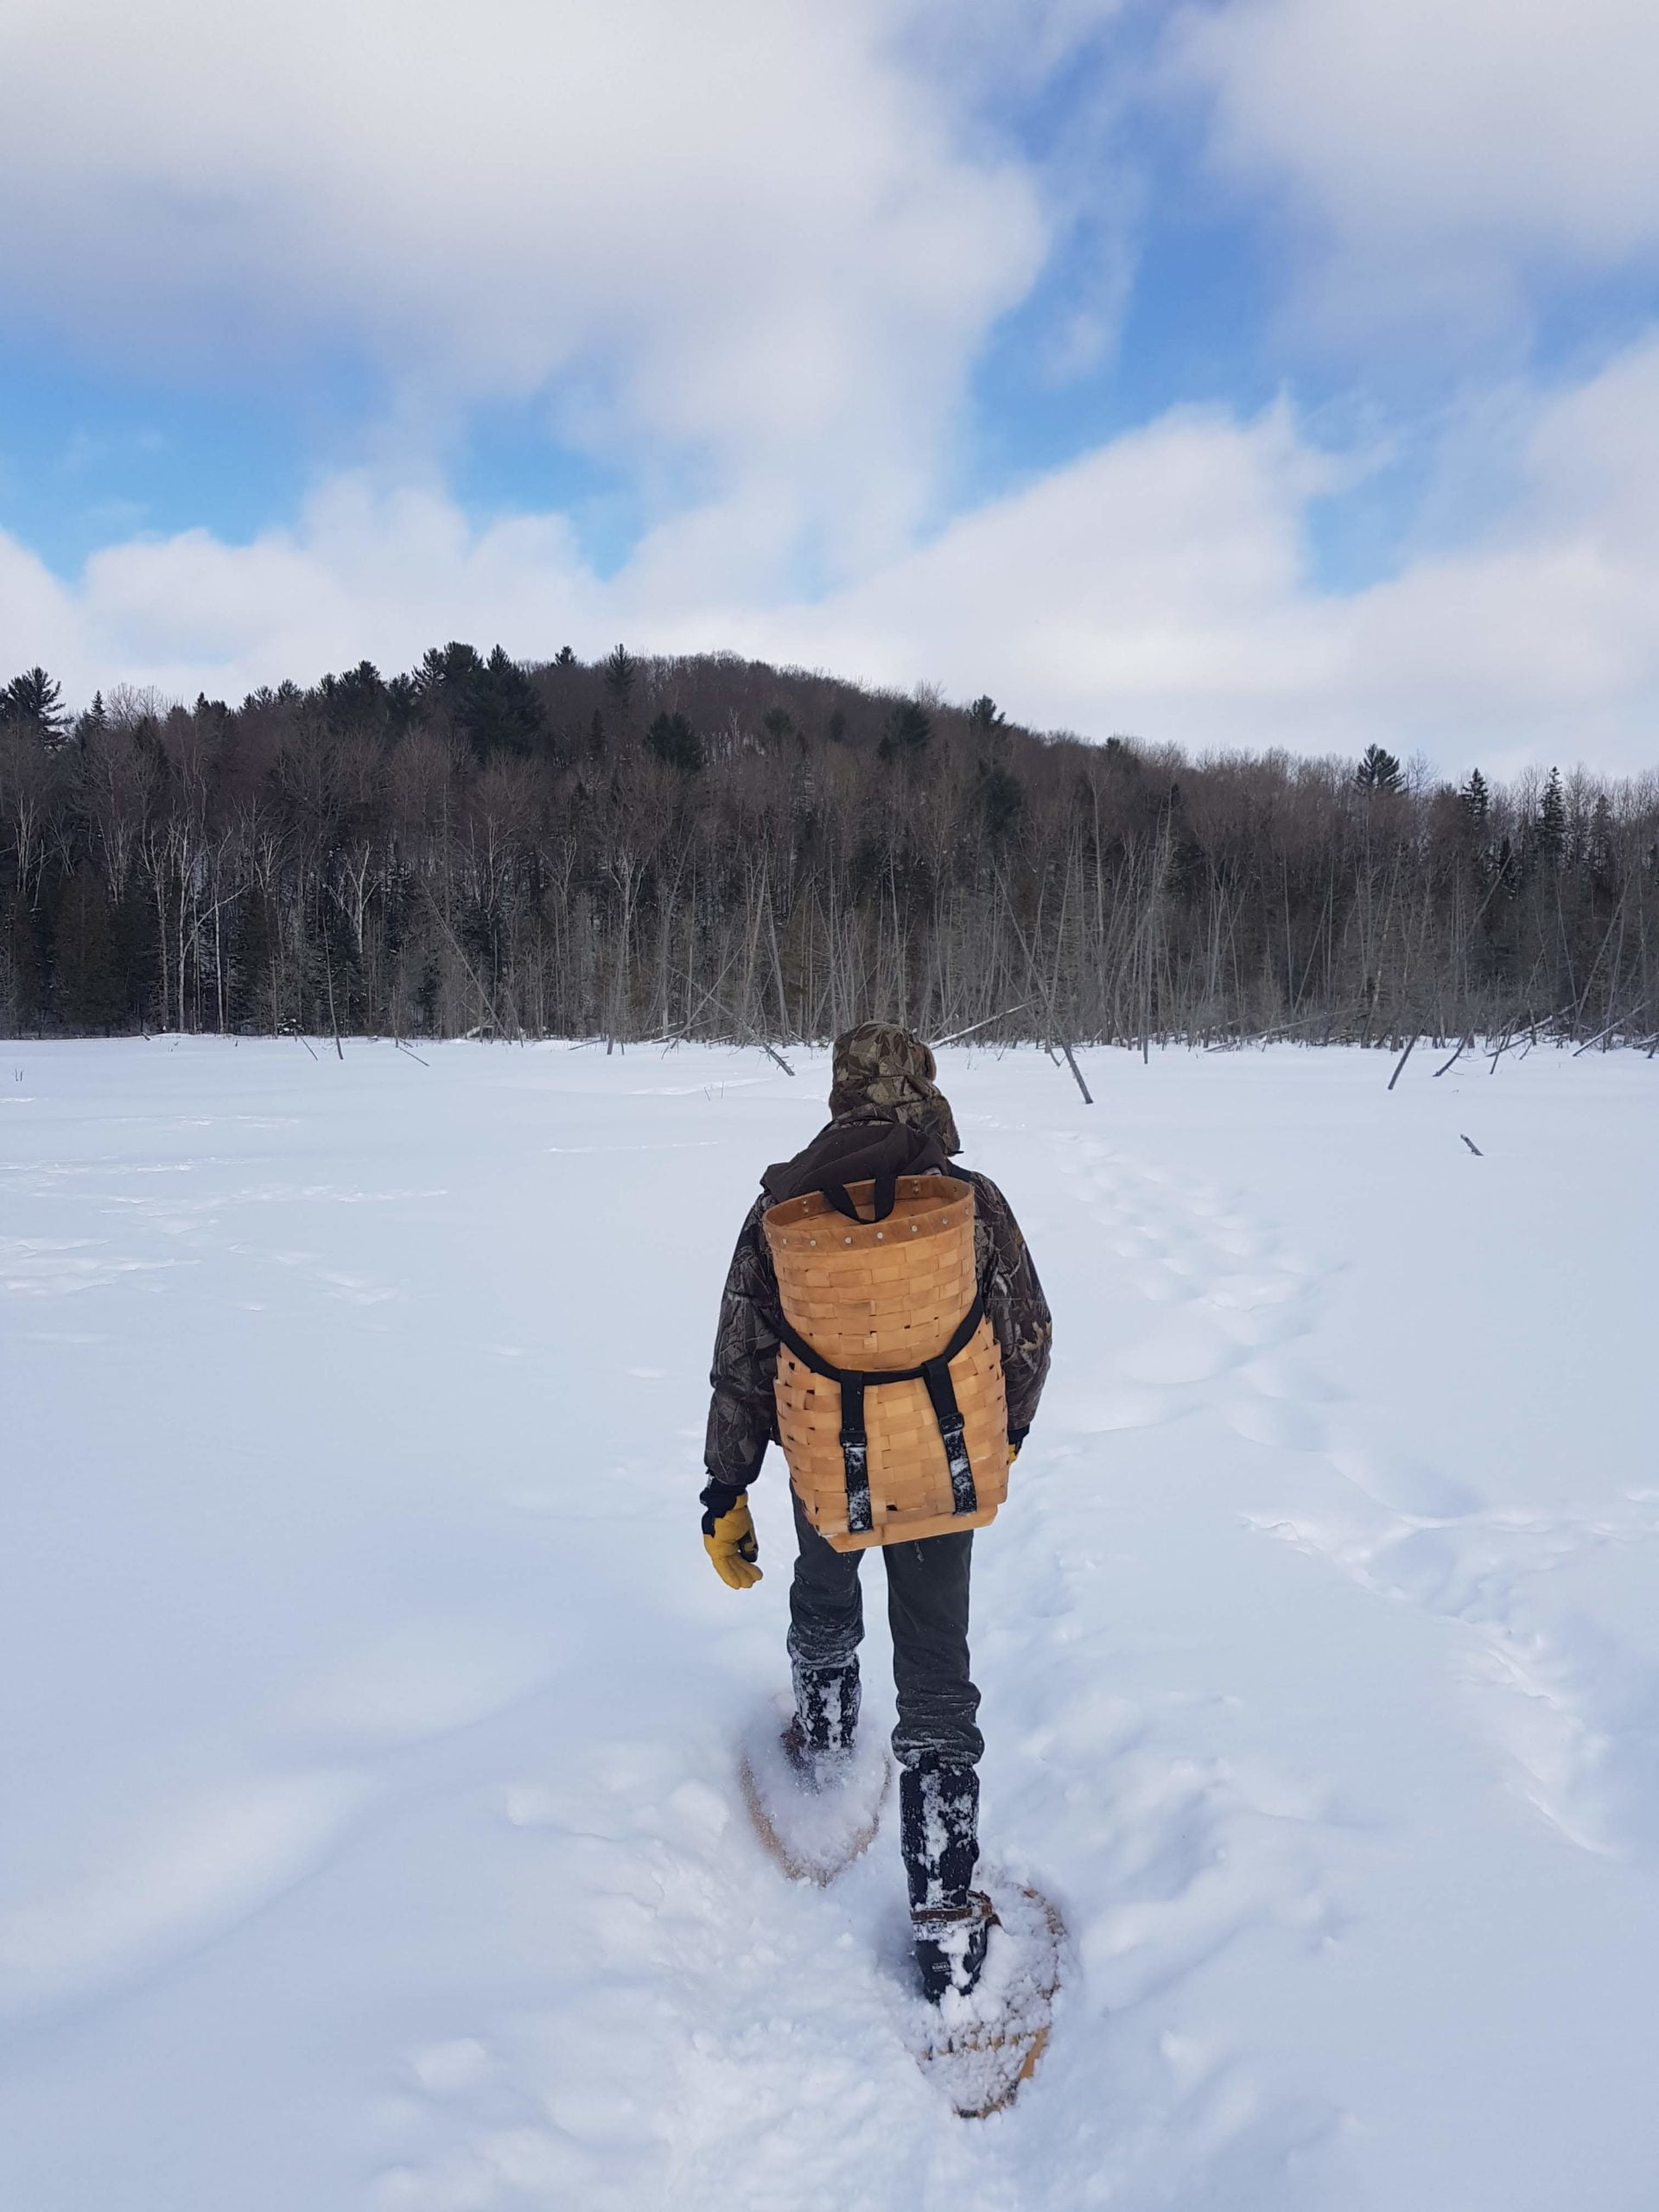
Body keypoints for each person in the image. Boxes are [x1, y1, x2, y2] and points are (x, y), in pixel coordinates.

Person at [700, 1022, 1052, 1999]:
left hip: (828, 1460)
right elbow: (1030, 1332)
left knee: (825, 1588)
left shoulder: (783, 1210)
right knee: (938, 1664)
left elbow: (743, 1362)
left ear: (839, 1096)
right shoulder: (971, 1205)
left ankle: (822, 1738)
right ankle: (945, 1919)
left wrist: (725, 1488)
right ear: (926, 1094)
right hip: (943, 1470)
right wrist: (1001, 1432)